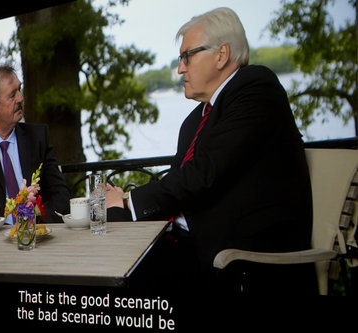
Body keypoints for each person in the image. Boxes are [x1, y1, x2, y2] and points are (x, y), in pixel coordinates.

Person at [106, 7, 315, 294]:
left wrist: (129, 203)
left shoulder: (256, 88)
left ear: (222, 54)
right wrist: (126, 203)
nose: (180, 68)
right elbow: (184, 182)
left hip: (246, 261)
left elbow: (203, 173)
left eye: (187, 56)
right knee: (110, 260)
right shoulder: (195, 120)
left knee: (120, 279)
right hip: (192, 247)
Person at [0, 65, 69, 229]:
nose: (20, 98)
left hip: (37, 236)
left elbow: (61, 194)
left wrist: (38, 224)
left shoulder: (38, 137)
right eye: (12, 95)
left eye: (19, 90)